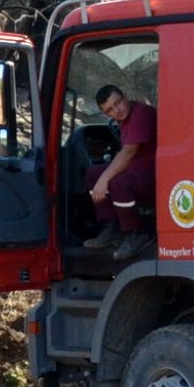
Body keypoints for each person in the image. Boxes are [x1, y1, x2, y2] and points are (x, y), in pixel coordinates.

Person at [80, 85, 157, 258]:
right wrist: (101, 178)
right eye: (110, 110)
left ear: (125, 96)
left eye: (118, 103)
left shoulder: (142, 114)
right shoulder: (124, 121)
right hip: (135, 172)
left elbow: (128, 152)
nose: (117, 110)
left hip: (154, 175)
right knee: (93, 174)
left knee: (118, 183)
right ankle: (112, 227)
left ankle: (137, 233)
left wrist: (104, 180)